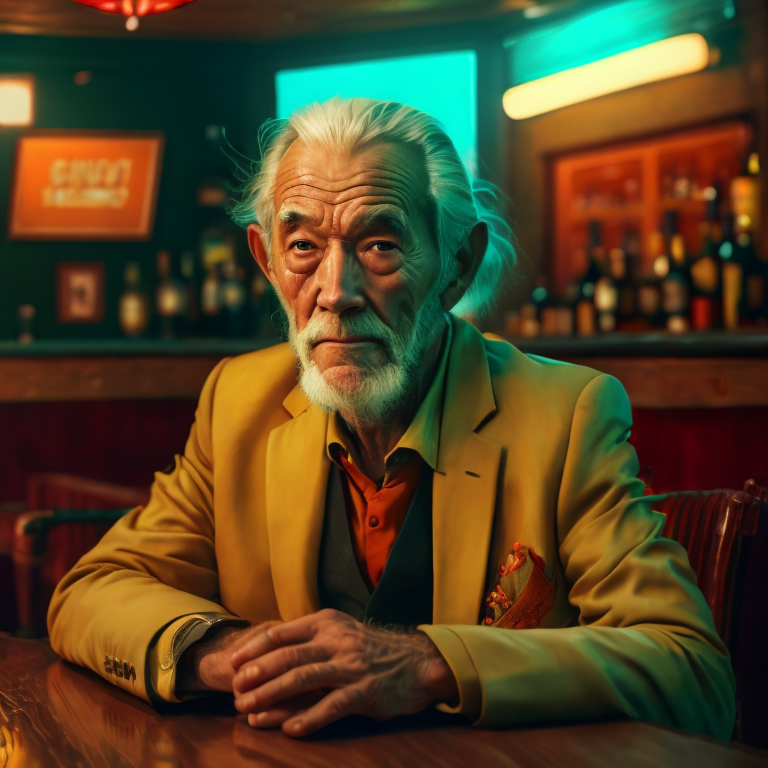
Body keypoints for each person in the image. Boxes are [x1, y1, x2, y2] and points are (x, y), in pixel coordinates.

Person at [49, 98, 734, 740]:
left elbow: (690, 671)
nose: (336, 292)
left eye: (380, 245)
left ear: (457, 266)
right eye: (303, 247)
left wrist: (429, 662)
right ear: (266, 261)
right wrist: (226, 653)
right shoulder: (238, 401)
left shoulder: (564, 414)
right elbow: (91, 592)